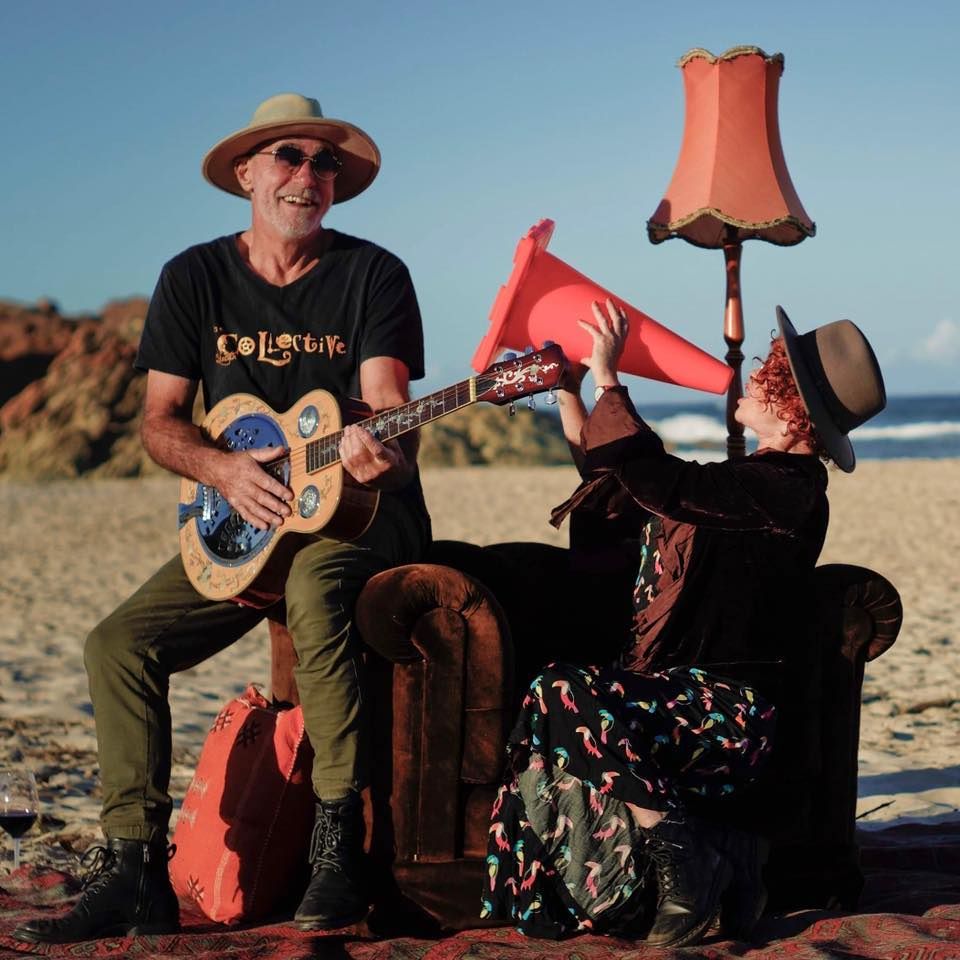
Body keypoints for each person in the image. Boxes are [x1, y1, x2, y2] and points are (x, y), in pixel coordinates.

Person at [14, 93, 431, 944]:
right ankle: (134, 869)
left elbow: (390, 405)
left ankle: (336, 845)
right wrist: (222, 469)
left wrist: (384, 450)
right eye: (289, 155)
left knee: (317, 583)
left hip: (360, 517)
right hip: (238, 527)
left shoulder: (374, 274)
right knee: (116, 645)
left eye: (326, 163)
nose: (308, 175)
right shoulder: (193, 278)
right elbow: (160, 422)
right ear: (247, 173)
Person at [482, 299, 886, 947]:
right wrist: (568, 393)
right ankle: (691, 865)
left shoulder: (792, 491)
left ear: (793, 410)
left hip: (730, 714)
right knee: (548, 699)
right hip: (673, 704)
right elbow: (625, 488)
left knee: (563, 688)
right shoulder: (751, 481)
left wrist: (612, 379)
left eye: (771, 374)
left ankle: (684, 855)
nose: (753, 378)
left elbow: (662, 481)